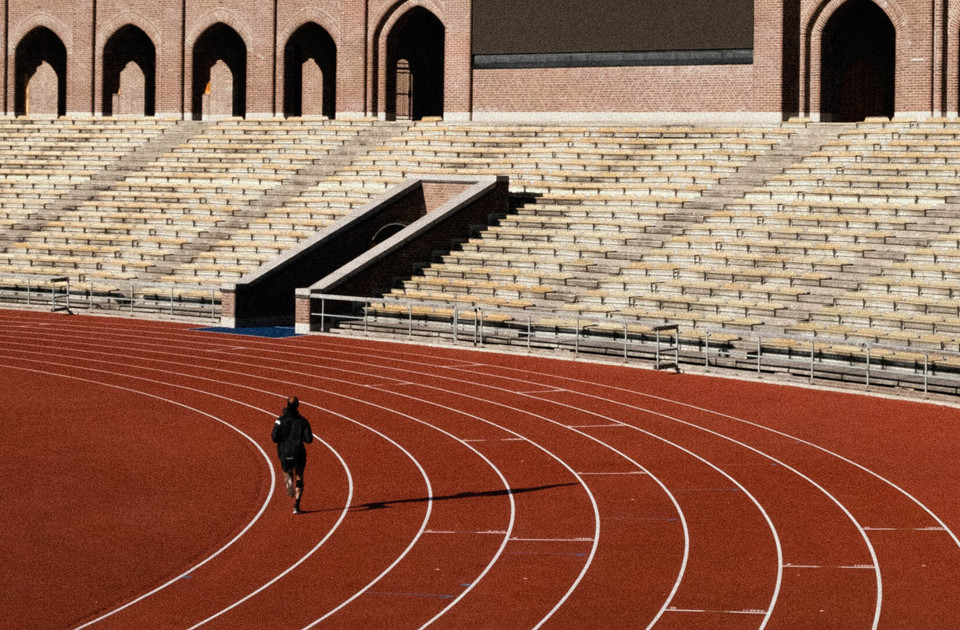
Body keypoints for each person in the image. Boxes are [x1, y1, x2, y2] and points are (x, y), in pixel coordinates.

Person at [271, 396, 313, 514]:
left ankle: (288, 478)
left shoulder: (280, 420)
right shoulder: (303, 421)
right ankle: (296, 506)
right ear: (298, 405)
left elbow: (274, 438)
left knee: (287, 470)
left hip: (284, 452)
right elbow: (309, 440)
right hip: (298, 452)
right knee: (299, 476)